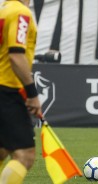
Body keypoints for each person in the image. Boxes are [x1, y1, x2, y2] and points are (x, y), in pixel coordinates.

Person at [0, 0, 42, 183]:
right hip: (7, 89)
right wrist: (32, 93)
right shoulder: (20, 13)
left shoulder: (4, 11)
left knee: (2, 150)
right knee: (25, 154)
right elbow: (16, 54)